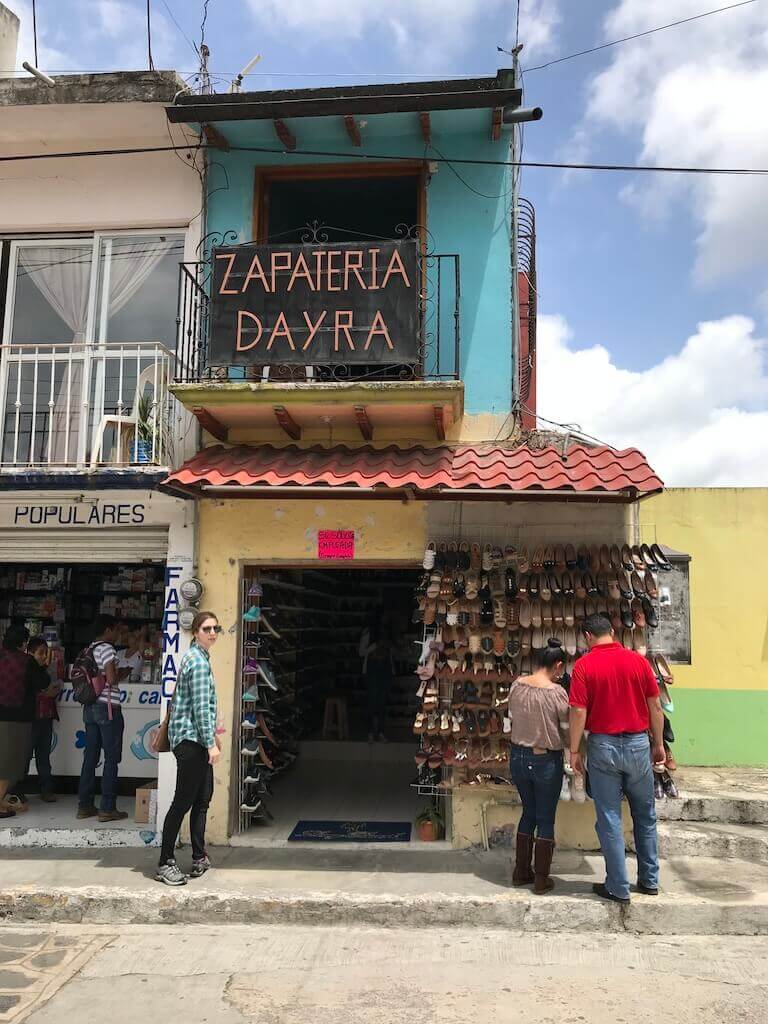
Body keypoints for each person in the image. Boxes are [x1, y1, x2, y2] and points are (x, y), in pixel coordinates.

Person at [569, 613, 665, 904]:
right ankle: (649, 881)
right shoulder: (638, 662)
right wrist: (658, 744)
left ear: (587, 637)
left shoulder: (584, 666)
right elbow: (656, 706)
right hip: (638, 744)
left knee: (609, 818)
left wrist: (574, 750)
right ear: (613, 631)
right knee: (645, 816)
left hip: (603, 746)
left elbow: (578, 712)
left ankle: (618, 886)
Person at [156, 611, 221, 886]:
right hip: (192, 741)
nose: (212, 632)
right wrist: (211, 744)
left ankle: (198, 856)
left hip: (196, 740)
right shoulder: (198, 662)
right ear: (195, 632)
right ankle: (164, 863)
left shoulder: (199, 658)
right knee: (183, 801)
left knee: (202, 798)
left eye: (216, 627)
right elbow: (200, 709)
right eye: (206, 628)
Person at [508, 638, 570, 894]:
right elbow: (565, 729)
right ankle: (541, 879)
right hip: (545, 760)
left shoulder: (516, 686)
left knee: (528, 813)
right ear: (557, 665)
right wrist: (572, 749)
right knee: (545, 818)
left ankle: (521, 870)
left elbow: (511, 717)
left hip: (518, 757)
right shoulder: (556, 693)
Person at [76, 613, 129, 823]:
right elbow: (112, 678)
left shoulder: (87, 649)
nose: (117, 635)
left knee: (90, 758)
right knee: (111, 758)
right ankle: (107, 807)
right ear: (108, 630)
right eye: (115, 630)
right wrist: (121, 673)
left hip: (89, 707)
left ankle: (85, 806)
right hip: (107, 707)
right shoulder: (107, 648)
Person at [0, 626, 48, 818]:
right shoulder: (26, 661)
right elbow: (43, 683)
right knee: (8, 764)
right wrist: (41, 665)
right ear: (23, 643)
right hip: (16, 718)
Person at [17, 638, 61, 804]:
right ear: (30, 653)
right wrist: (45, 693)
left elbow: (56, 685)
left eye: (45, 653)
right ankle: (18, 790)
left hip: (45, 719)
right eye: (40, 653)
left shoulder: (47, 670)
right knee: (25, 756)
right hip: (31, 719)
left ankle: (46, 789)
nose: (44, 656)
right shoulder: (26, 671)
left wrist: (53, 689)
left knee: (44, 756)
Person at [360, 619, 394, 743]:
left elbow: (389, 654)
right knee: (371, 702)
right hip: (372, 669)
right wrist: (373, 647)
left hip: (384, 668)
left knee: (382, 703)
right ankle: (370, 732)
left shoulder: (387, 634)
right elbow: (361, 652)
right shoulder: (368, 633)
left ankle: (380, 732)